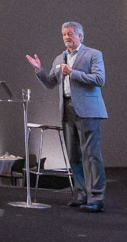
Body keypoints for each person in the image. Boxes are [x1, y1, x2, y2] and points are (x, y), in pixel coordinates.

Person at [28, 21, 109, 211]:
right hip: (67, 110)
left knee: (91, 155)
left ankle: (96, 198)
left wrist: (73, 73)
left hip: (88, 111)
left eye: (70, 34)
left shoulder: (93, 54)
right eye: (64, 34)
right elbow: (50, 83)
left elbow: (99, 79)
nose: (66, 37)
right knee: (74, 156)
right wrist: (39, 70)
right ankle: (82, 195)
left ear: (80, 35)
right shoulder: (59, 58)